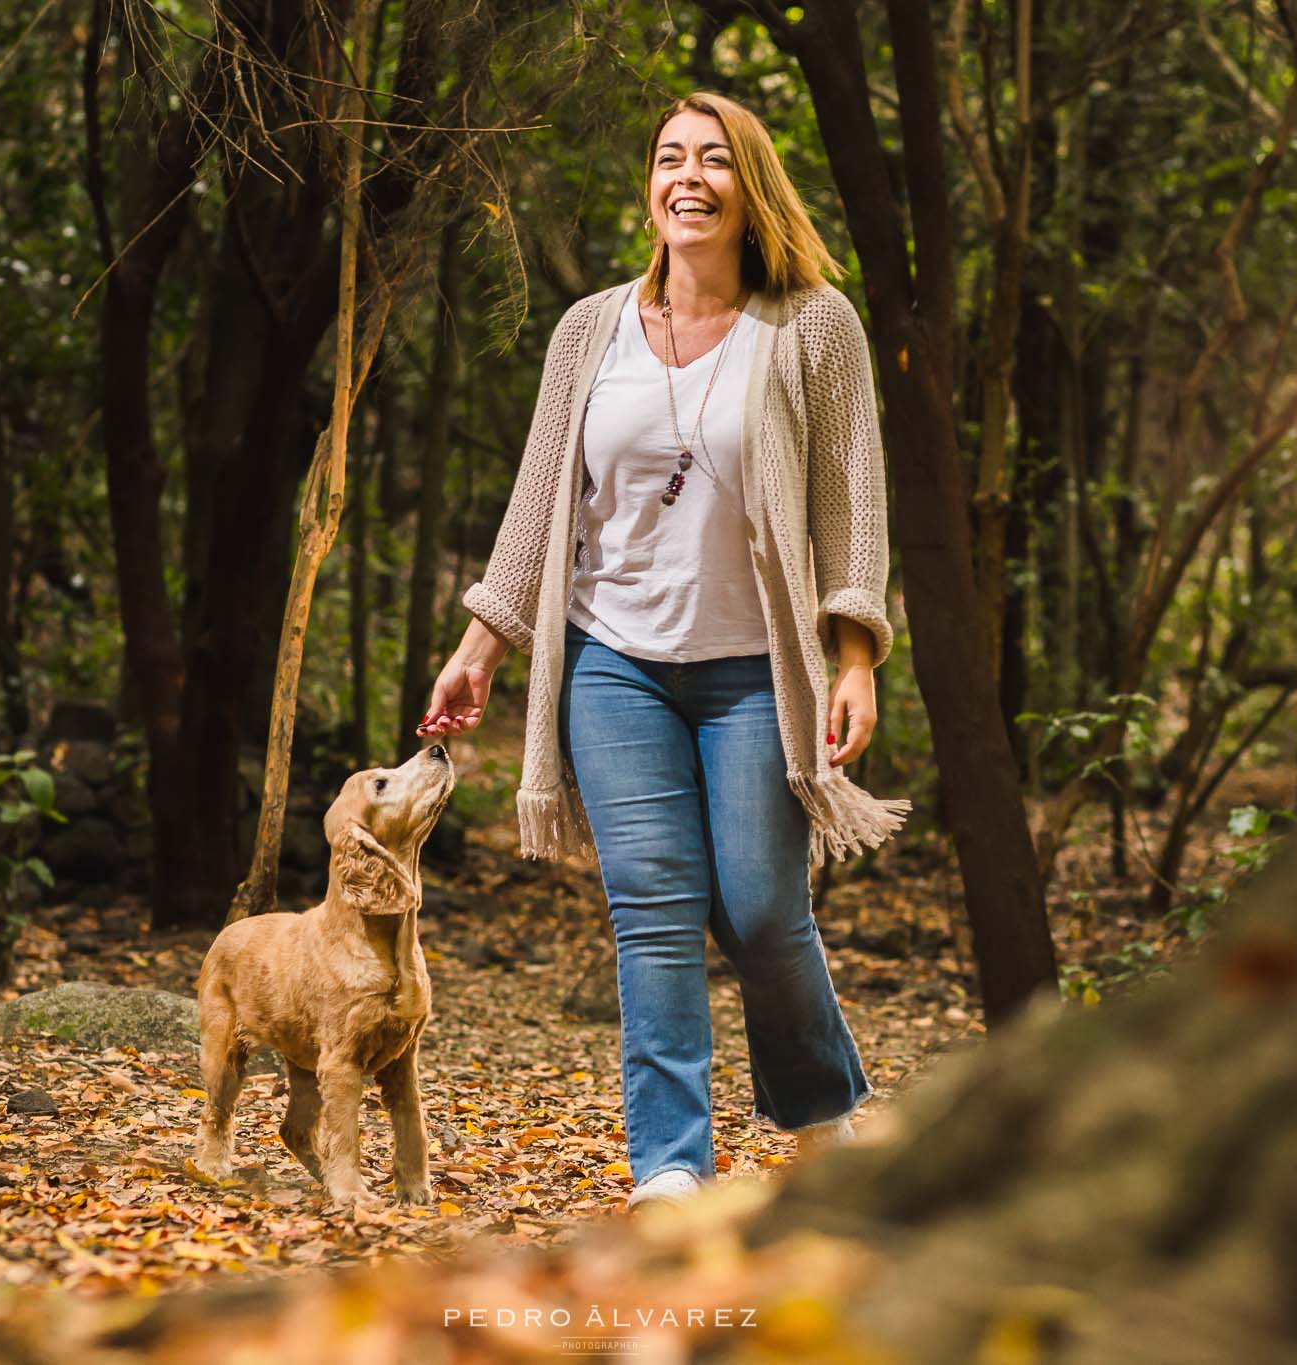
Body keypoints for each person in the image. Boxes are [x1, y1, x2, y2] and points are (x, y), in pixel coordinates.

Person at [417, 91, 908, 1209]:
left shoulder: (811, 325)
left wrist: (853, 655)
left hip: (754, 673)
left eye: (713, 160)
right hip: (613, 663)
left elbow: (853, 500)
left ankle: (819, 1113)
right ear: (649, 185)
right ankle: (671, 1165)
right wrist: (480, 646)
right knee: (650, 904)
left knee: (759, 914)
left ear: (750, 190)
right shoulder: (588, 329)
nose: (686, 177)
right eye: (667, 158)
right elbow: (541, 495)